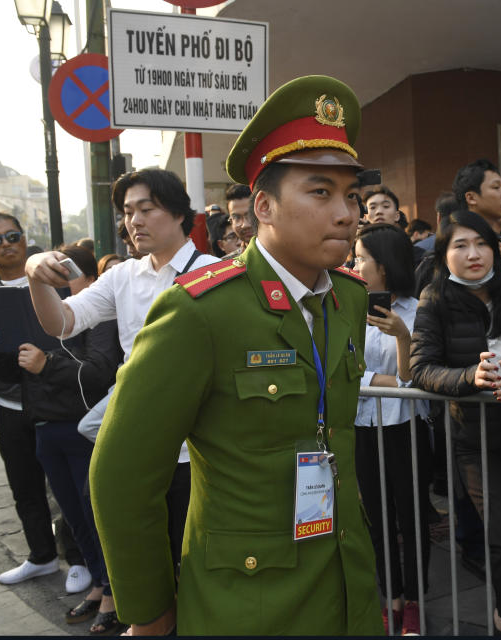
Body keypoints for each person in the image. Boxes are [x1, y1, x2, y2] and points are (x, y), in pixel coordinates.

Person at [67, 75, 383, 635]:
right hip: (248, 598)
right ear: (262, 205)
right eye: (320, 192)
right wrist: (150, 611)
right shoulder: (199, 312)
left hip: (344, 579)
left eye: (351, 195)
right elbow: (122, 474)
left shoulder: (349, 298)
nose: (345, 213)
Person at [25, 169, 217, 591]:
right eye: (128, 211)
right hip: (139, 443)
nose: (135, 220)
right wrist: (35, 272)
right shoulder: (122, 276)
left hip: (201, 448)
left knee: (196, 561)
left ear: (180, 212)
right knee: (146, 558)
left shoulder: (215, 272)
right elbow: (63, 321)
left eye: (146, 208)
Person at [411, 210, 501, 636]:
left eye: (482, 244)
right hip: (474, 437)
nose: (473, 254)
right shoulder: (434, 299)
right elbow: (421, 369)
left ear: (496, 249)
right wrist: (468, 380)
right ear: (443, 255)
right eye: (460, 245)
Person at [0, 243, 123, 634]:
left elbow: (101, 372)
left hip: (85, 428)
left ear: (93, 279)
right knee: (73, 516)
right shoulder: (43, 313)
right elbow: (13, 376)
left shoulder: (102, 316)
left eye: (67, 271)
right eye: (52, 271)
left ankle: (114, 592)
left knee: (97, 514)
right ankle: (97, 582)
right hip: (44, 425)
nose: (56, 279)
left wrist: (47, 365)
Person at [0, 212, 66, 588]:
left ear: (25, 237)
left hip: (59, 401)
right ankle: (41, 556)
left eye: (12, 235)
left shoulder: (56, 277)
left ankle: (79, 559)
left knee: (68, 487)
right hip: (11, 404)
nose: (6, 243)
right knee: (25, 487)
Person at [352, 223, 431, 635]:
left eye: (361, 257)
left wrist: (402, 337)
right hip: (362, 428)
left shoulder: (420, 312)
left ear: (384, 265)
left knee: (413, 517)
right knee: (377, 518)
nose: (354, 264)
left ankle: (416, 601)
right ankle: (392, 599)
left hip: (406, 427)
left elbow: (414, 379)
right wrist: (386, 382)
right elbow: (345, 373)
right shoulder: (346, 306)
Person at [225, 183, 254, 249]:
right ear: (231, 221)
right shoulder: (232, 259)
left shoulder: (281, 256)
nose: (245, 225)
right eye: (237, 218)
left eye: (251, 215)